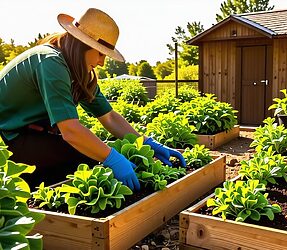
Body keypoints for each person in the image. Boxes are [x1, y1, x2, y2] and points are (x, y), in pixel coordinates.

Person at [0, 8, 186, 190]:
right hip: (8, 139)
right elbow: (71, 131)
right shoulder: (50, 62)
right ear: (82, 45)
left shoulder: (77, 70)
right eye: (100, 53)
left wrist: (145, 141)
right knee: (86, 158)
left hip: (31, 133)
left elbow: (109, 116)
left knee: (95, 152)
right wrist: (112, 159)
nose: (102, 62)